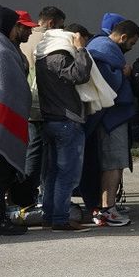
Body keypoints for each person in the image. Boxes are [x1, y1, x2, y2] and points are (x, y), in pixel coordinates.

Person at [34, 24, 94, 231]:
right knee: (67, 174)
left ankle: (50, 216)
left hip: (51, 120)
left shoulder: (42, 57)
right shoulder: (59, 57)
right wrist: (80, 49)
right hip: (67, 120)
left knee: (52, 173)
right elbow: (80, 75)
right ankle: (60, 218)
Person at [0, 5, 36, 236]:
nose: (21, 30)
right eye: (17, 25)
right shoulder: (1, 51)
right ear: (9, 26)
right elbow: (12, 90)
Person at [86, 18, 139, 226]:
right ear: (123, 37)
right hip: (111, 118)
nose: (131, 48)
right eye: (132, 43)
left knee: (113, 163)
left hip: (110, 117)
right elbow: (106, 82)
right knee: (113, 163)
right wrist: (124, 73)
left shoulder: (101, 46)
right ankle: (107, 209)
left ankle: (107, 206)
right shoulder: (104, 48)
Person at [16, 5, 65, 207]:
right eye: (60, 26)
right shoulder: (47, 41)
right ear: (52, 23)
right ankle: (30, 196)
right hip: (40, 104)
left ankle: (25, 194)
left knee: (30, 149)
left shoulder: (21, 42)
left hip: (25, 103)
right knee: (39, 153)